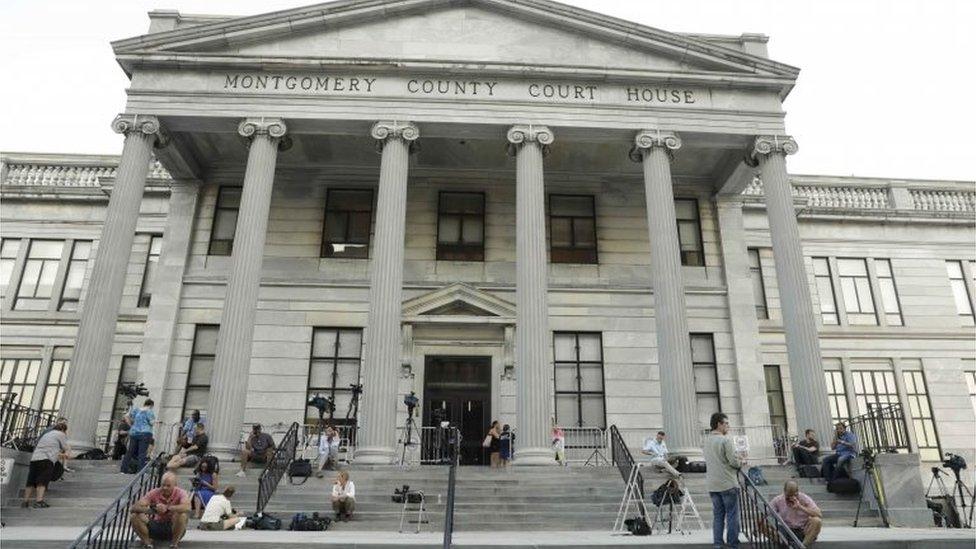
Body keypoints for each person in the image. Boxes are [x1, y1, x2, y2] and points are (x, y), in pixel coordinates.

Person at [704, 412, 744, 549]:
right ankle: (733, 544)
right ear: (719, 424)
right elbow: (734, 461)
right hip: (727, 482)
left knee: (718, 516)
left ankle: (718, 544)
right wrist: (741, 461)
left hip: (712, 484)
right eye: (726, 423)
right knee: (732, 515)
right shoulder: (725, 440)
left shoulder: (706, 441)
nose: (728, 426)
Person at [130, 471, 190, 548]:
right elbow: (134, 507)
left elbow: (187, 507)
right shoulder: (154, 492)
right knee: (134, 516)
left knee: (182, 515)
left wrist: (167, 508)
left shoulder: (181, 492)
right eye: (163, 485)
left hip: (173, 527)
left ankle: (174, 544)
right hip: (156, 524)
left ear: (175, 485)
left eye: (168, 486)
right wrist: (153, 510)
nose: (165, 488)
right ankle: (148, 544)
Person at [22, 421, 70, 508]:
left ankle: (25, 502)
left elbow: (48, 448)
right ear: (63, 429)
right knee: (42, 481)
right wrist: (67, 454)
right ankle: (39, 501)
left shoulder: (47, 434)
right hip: (46, 460)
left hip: (35, 458)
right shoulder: (60, 434)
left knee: (31, 481)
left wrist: (59, 454)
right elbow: (66, 447)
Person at [769, 480, 823, 547]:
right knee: (763, 523)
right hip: (786, 529)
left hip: (802, 529)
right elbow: (766, 512)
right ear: (784, 492)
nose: (792, 498)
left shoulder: (804, 498)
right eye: (789, 495)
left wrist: (800, 507)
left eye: (794, 495)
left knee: (817, 521)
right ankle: (784, 543)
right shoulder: (778, 500)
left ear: (798, 492)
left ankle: (802, 546)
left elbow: (819, 514)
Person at [121, 399, 156, 474]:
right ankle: (140, 471)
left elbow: (126, 416)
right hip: (145, 433)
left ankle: (123, 470)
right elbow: (151, 423)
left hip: (134, 433)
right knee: (142, 453)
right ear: (151, 405)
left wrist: (131, 425)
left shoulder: (137, 410)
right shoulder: (149, 411)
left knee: (130, 452)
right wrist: (156, 422)